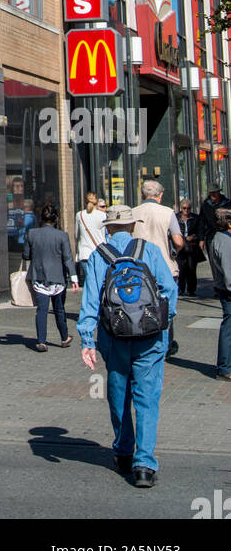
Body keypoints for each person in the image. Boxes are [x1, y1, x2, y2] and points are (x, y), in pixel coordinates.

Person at [78, 203, 177, 488]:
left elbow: (91, 303)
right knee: (147, 398)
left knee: (118, 393)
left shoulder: (100, 257)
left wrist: (87, 340)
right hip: (150, 338)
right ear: (133, 226)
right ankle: (144, 464)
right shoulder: (150, 251)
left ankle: (123, 451)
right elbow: (169, 292)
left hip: (114, 336)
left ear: (107, 228)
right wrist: (161, 323)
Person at [131, 181, 184, 357]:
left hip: (139, 267)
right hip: (165, 267)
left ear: (142, 195)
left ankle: (142, 338)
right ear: (160, 195)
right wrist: (175, 252)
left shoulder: (133, 212)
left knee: (141, 303)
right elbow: (178, 241)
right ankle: (165, 343)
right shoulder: (167, 212)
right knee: (165, 306)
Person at [22, 203, 78, 352]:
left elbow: (26, 255)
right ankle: (64, 338)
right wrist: (74, 277)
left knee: (42, 310)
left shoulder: (32, 233)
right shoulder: (62, 235)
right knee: (59, 309)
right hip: (58, 277)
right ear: (56, 219)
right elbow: (67, 258)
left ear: (41, 218)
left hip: (39, 276)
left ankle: (41, 341)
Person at [206, 207, 231, 381]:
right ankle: (224, 367)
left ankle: (225, 366)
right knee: (228, 328)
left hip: (224, 288)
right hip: (228, 290)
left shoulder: (220, 239)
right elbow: (229, 271)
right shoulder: (224, 241)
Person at [74, 192, 107, 286]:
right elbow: (105, 234)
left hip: (85, 254)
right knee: (100, 282)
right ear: (96, 202)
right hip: (100, 253)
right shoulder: (103, 216)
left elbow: (76, 235)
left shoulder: (79, 215)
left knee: (90, 282)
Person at [175, 200, 201, 297]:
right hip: (180, 245)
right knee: (180, 268)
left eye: (188, 208)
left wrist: (194, 237)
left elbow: (200, 231)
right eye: (184, 208)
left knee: (191, 268)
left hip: (191, 246)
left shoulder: (195, 218)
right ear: (181, 208)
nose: (186, 210)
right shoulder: (176, 218)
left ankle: (191, 289)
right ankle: (180, 288)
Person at [198, 182, 231, 253]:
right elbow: (201, 223)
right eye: (211, 192)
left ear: (219, 192)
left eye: (215, 192)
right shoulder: (205, 205)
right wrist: (201, 239)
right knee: (214, 260)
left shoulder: (228, 204)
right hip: (211, 236)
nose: (213, 194)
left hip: (226, 235)